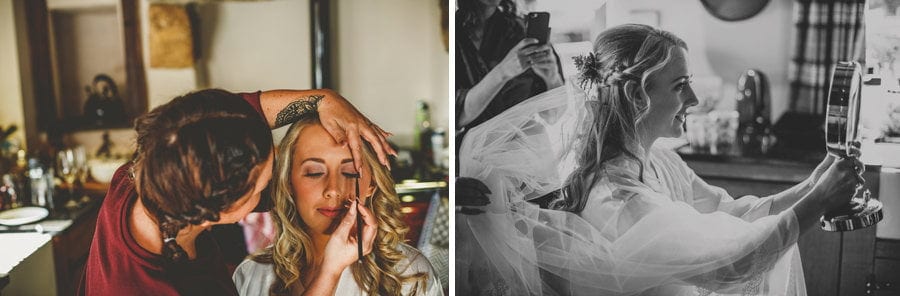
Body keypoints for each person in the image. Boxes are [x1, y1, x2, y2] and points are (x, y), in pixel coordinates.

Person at [456, 24, 862, 295]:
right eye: (681, 85)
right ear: (637, 96)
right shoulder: (617, 199)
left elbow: (736, 212)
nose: (695, 100)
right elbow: (730, 267)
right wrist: (819, 202)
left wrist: (815, 183)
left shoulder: (660, 162)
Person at [79, 88, 395, 295]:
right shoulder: (148, 287)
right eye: (262, 187)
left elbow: (229, 117)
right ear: (222, 211)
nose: (283, 185)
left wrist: (325, 99)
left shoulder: (153, 162)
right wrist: (330, 269)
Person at [232, 115, 443, 295]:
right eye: (314, 172)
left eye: (350, 172)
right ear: (288, 183)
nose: (333, 189)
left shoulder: (409, 273)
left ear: (372, 184)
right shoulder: (251, 274)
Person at [455, 0, 564, 209]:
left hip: (530, 159)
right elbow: (458, 115)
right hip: (478, 166)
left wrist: (551, 76)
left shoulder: (521, 29)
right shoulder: (455, 32)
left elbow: (554, 114)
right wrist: (504, 71)